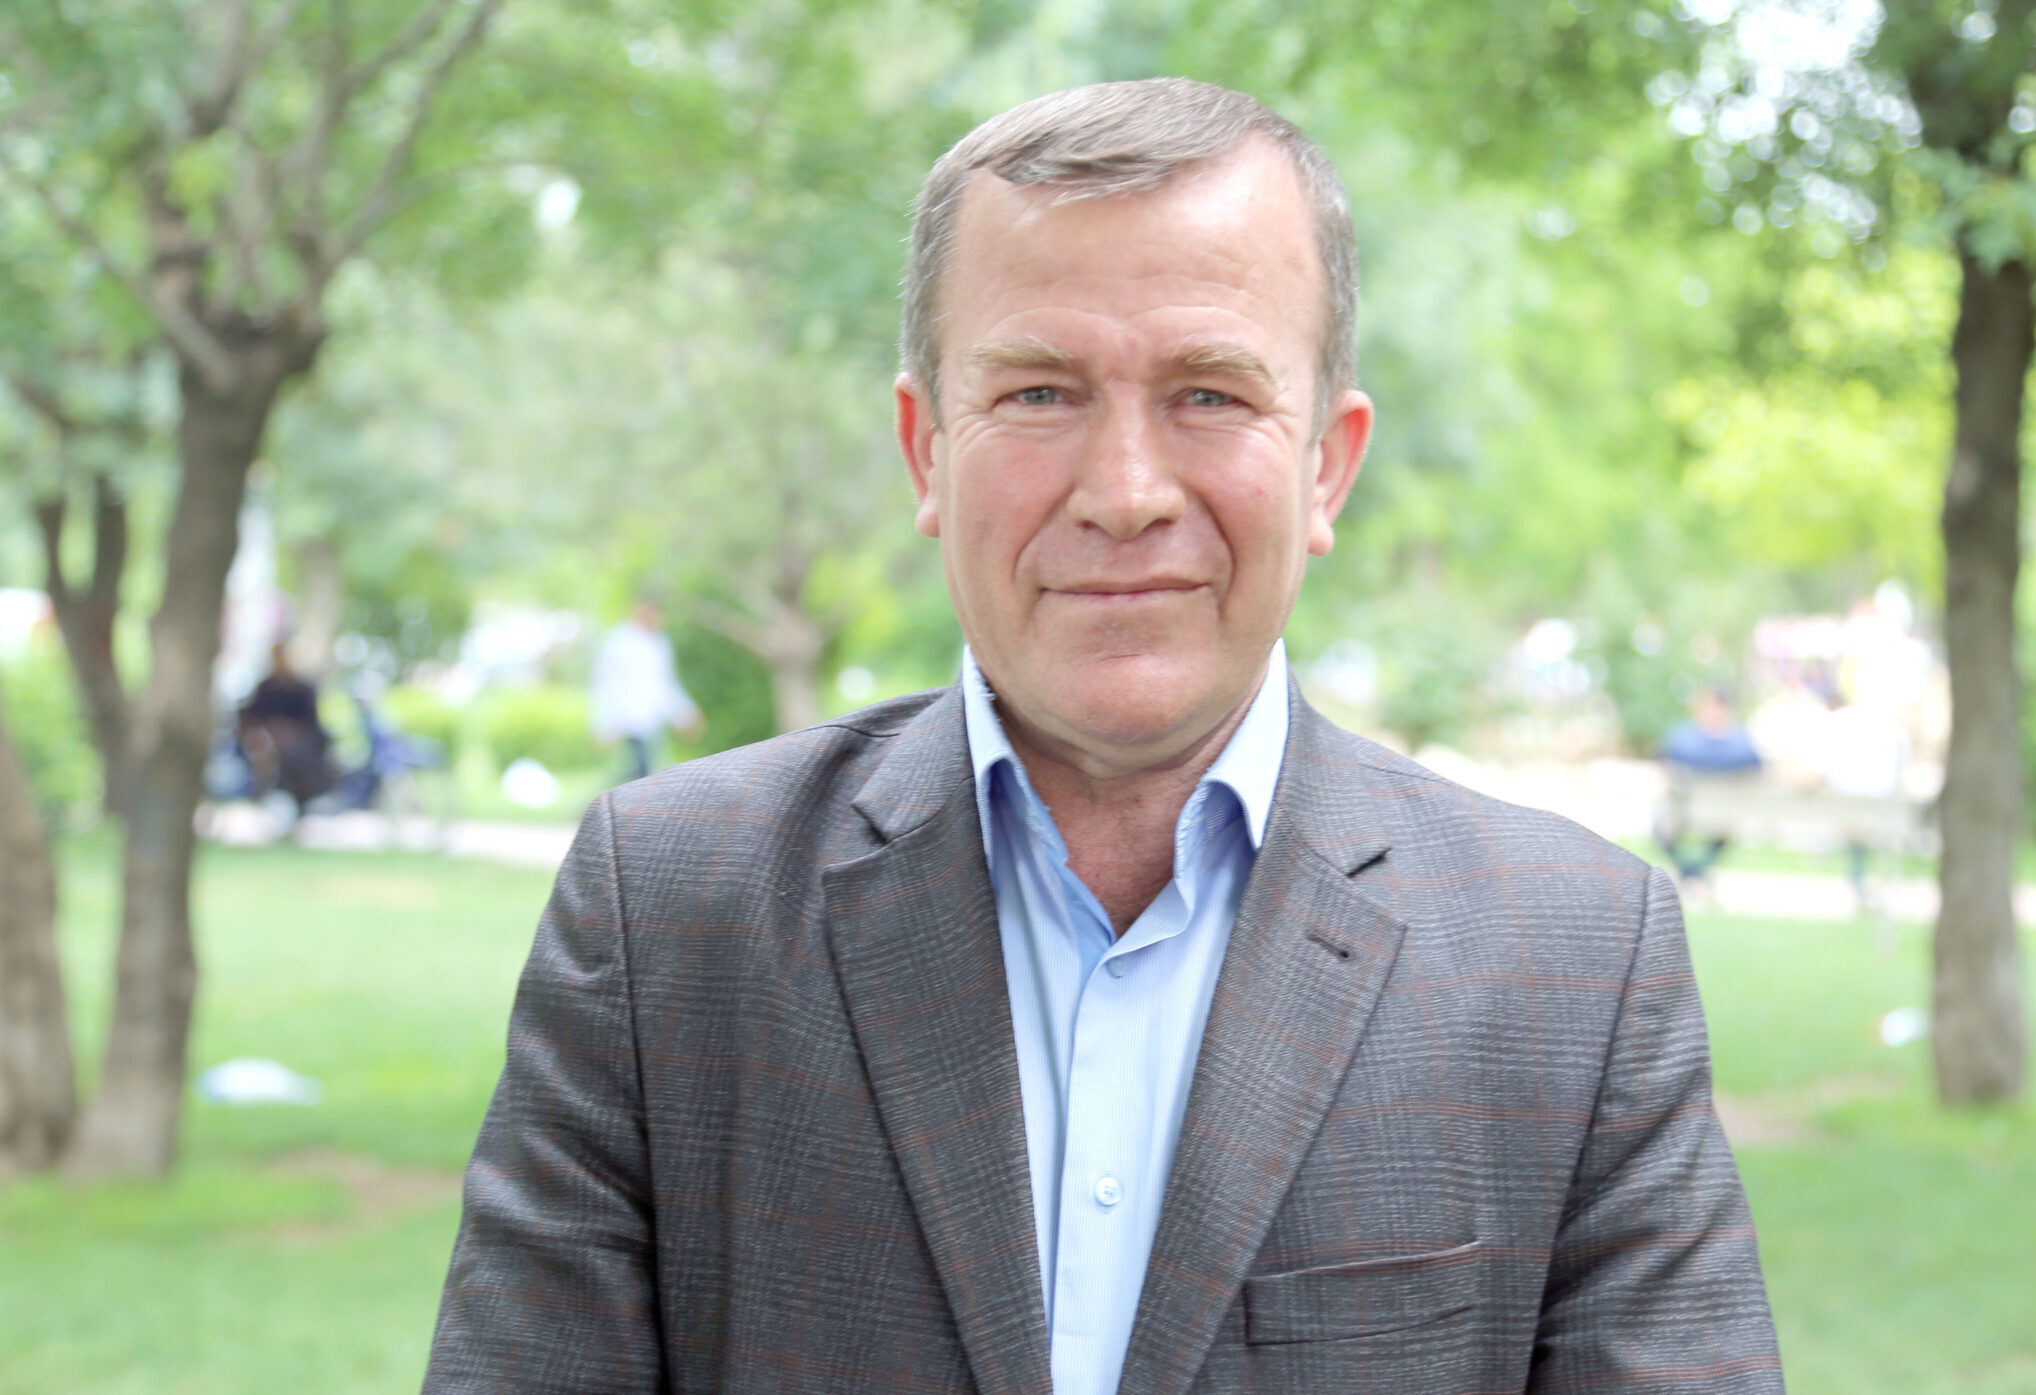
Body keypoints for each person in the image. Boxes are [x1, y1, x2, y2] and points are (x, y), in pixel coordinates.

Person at [425, 79, 1779, 1394]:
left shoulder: (1577, 965)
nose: (1125, 493)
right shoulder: (667, 916)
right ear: (925, 449)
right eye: (1038, 393)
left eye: (1209, 394)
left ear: (1327, 462)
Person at [1656, 685, 1764, 894]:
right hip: (1689, 809)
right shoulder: (1736, 741)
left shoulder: (1690, 738)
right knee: (1664, 823)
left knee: (1720, 825)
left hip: (1716, 811)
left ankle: (1691, 875)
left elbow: (1672, 753)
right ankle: (1694, 875)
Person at [588, 599, 702, 783]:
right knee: (639, 774)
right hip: (628, 720)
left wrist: (684, 714)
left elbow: (664, 685)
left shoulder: (659, 643)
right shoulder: (619, 642)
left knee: (645, 773)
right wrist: (604, 724)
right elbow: (606, 684)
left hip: (651, 722)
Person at [235, 642, 332, 812]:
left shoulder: (302, 689)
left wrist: (290, 731)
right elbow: (251, 716)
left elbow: (312, 722)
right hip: (267, 740)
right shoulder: (265, 688)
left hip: (299, 741)